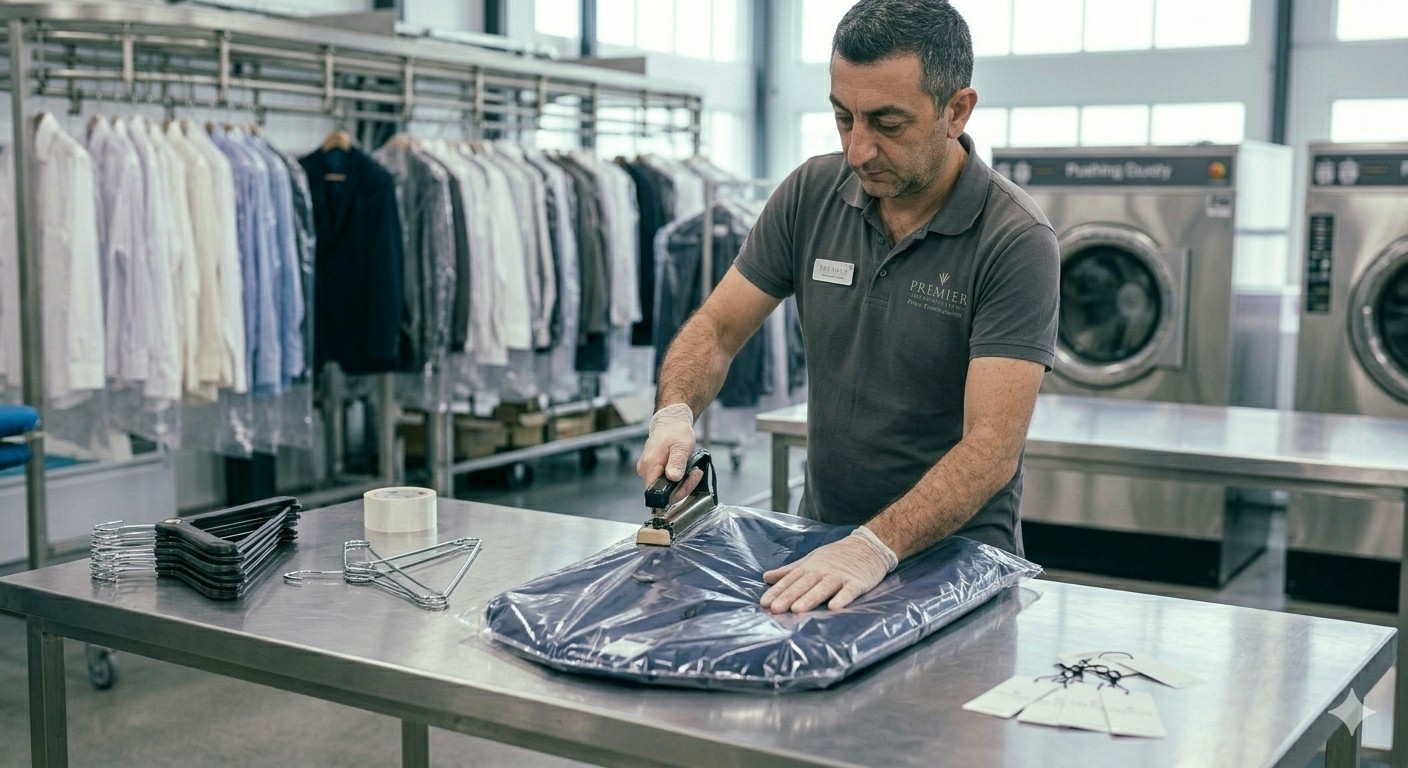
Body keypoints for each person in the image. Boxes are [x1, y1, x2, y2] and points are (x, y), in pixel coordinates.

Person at [637, 0, 1059, 614]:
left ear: (957, 110)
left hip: (959, 564)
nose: (859, 150)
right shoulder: (813, 192)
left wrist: (873, 547)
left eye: (888, 124)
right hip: (820, 548)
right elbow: (719, 328)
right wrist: (674, 409)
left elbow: (992, 446)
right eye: (843, 118)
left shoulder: (1014, 239)